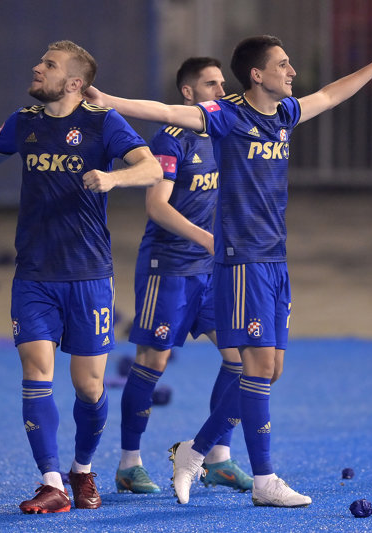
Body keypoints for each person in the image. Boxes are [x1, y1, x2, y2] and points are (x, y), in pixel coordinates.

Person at [86, 35, 372, 507]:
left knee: (269, 370)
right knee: (245, 366)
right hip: (239, 263)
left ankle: (197, 451)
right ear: (257, 75)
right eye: (283, 64)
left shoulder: (284, 114)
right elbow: (167, 112)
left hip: (275, 259)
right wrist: (109, 100)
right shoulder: (228, 117)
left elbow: (330, 95)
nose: (293, 72)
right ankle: (263, 479)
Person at [0, 40, 162, 514]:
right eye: (41, 61)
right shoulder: (23, 122)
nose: (37, 67)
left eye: (48, 64)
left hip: (88, 274)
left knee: (89, 387)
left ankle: (82, 470)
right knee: (36, 373)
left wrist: (112, 178)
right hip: (34, 274)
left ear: (73, 83)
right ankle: (52, 484)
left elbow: (150, 168)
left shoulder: (103, 122)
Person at [114, 57, 252, 495]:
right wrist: (207, 239)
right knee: (152, 362)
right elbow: (156, 206)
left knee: (242, 358)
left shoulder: (224, 133)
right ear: (188, 93)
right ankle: (129, 464)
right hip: (169, 267)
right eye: (211, 84)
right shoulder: (170, 139)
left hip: (212, 271)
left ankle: (218, 457)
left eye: (223, 83)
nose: (222, 91)